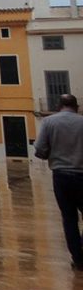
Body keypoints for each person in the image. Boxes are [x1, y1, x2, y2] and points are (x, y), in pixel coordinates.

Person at [34, 94, 83, 271]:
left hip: (61, 177)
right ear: (76, 107)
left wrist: (52, 154)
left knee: (69, 218)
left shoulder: (49, 122)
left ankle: (78, 259)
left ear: (59, 106)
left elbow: (39, 150)